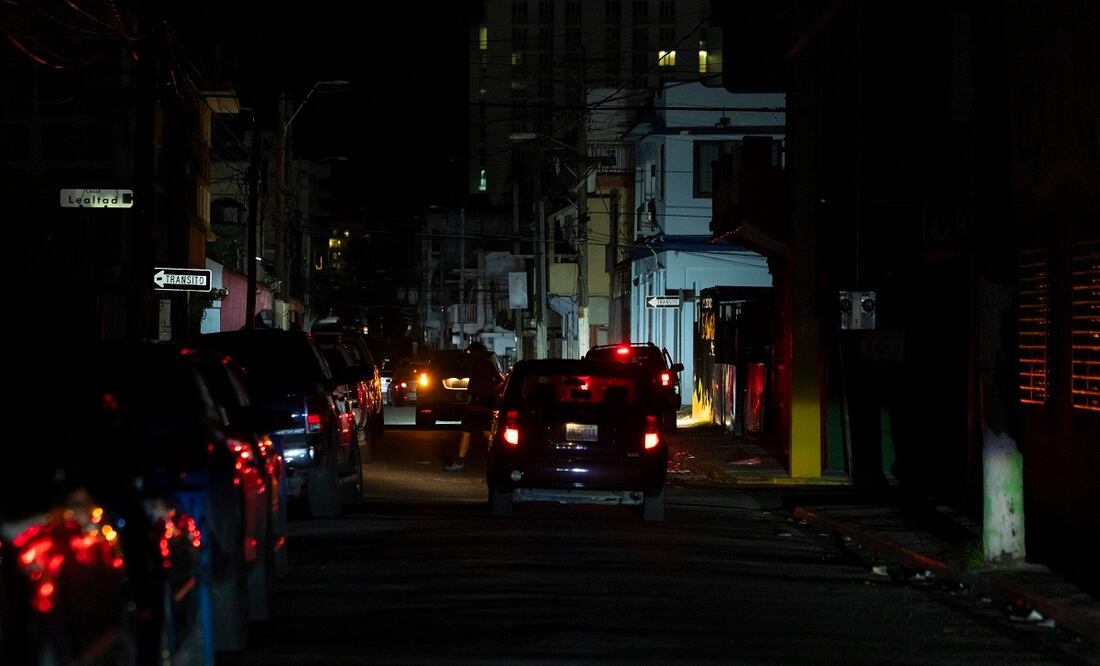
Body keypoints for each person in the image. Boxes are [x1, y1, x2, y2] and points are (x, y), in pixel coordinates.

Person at [444, 341, 502, 471]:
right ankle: (498, 458)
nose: (469, 355)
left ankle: (462, 461)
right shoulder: (486, 365)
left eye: (471, 352)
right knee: (484, 431)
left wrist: (471, 396)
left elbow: (474, 386)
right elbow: (499, 381)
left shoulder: (479, 365)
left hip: (478, 402)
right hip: (485, 401)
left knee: (470, 431)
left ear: (477, 352)